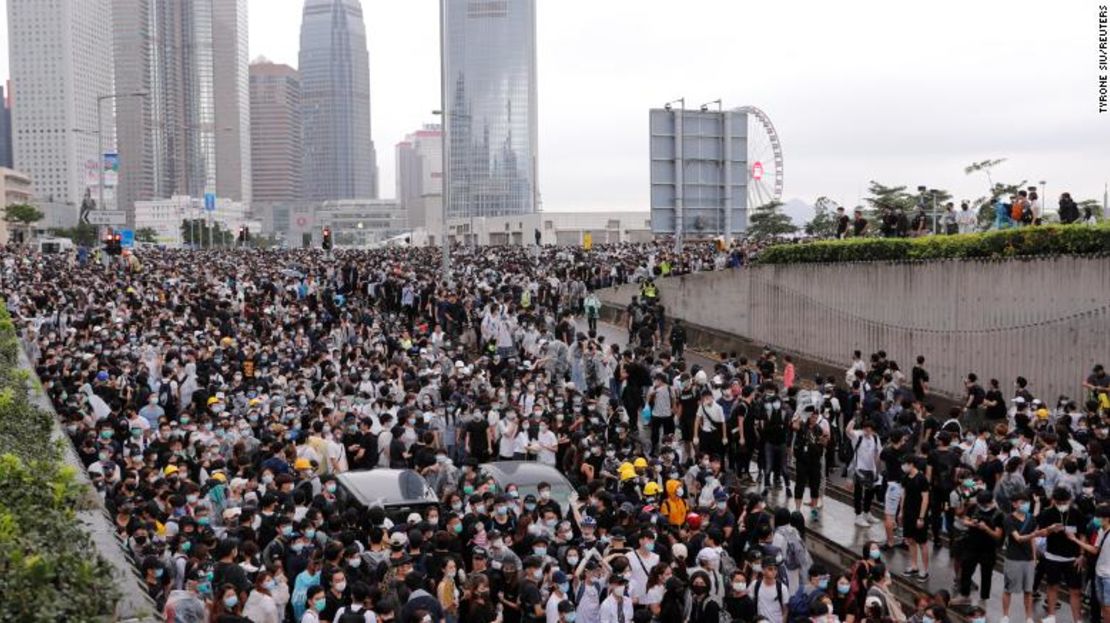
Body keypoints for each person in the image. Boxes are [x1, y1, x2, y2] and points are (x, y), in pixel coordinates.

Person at [1037, 487, 1087, 623]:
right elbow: (1040, 533)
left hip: (1073, 558)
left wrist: (1082, 555)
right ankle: (1051, 616)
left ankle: (1077, 620)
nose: (1061, 505)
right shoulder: (1047, 513)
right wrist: (1049, 529)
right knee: (1052, 586)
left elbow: (1082, 535)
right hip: (1052, 556)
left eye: (1064, 502)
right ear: (1054, 501)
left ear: (1070, 500)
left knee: (1075, 591)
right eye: (1059, 502)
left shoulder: (1077, 514)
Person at [898, 456, 930, 582]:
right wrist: (901, 512)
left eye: (905, 464)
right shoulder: (905, 478)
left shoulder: (921, 479)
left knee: (922, 542)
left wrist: (921, 517)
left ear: (911, 464)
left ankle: (925, 569)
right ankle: (914, 565)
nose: (903, 467)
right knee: (910, 540)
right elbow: (904, 494)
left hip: (918, 515)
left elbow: (925, 498)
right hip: (908, 513)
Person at [846, 417, 882, 527]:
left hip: (871, 469)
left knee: (870, 493)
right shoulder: (858, 435)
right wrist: (853, 420)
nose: (868, 432)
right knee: (858, 493)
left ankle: (867, 513)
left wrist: (876, 469)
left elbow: (878, 453)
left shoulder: (875, 438)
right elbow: (848, 430)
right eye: (866, 429)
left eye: (870, 430)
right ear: (863, 428)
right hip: (859, 468)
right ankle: (858, 516)